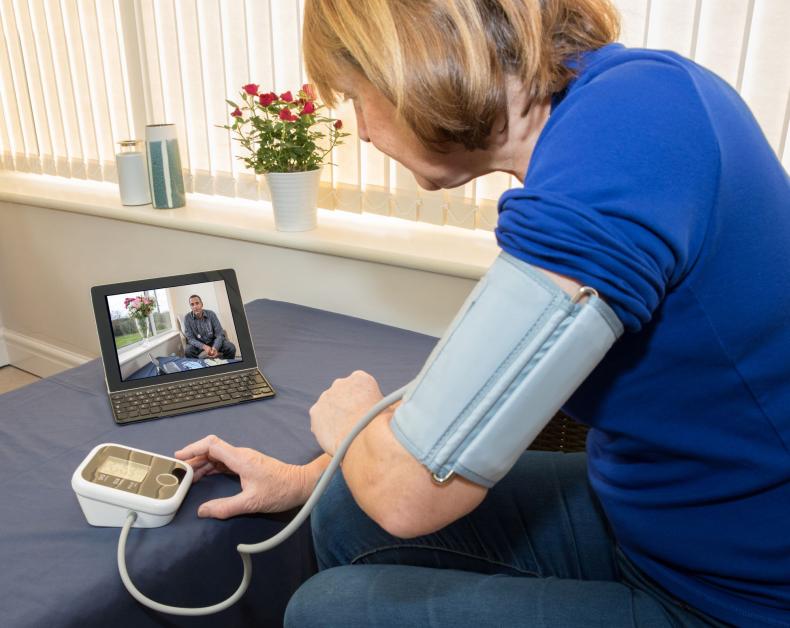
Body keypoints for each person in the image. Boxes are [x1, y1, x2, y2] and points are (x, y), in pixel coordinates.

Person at [175, 1, 790, 625]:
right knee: (339, 506)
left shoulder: (629, 139)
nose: (359, 129)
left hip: (739, 597)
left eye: (357, 97)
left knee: (325, 612)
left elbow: (408, 497)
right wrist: (310, 477)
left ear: (409, 62)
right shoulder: (623, 108)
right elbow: (470, 409)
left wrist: (348, 419)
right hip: (654, 519)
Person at [182, 295, 236, 360]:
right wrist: (204, 347)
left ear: (202, 304)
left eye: (197, 303)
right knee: (188, 351)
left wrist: (215, 347)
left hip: (213, 341)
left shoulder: (211, 314)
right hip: (198, 344)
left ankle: (226, 365)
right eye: (192, 304)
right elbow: (190, 339)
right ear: (190, 307)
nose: (195, 306)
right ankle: (200, 366)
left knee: (231, 347)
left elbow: (219, 334)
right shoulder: (187, 318)